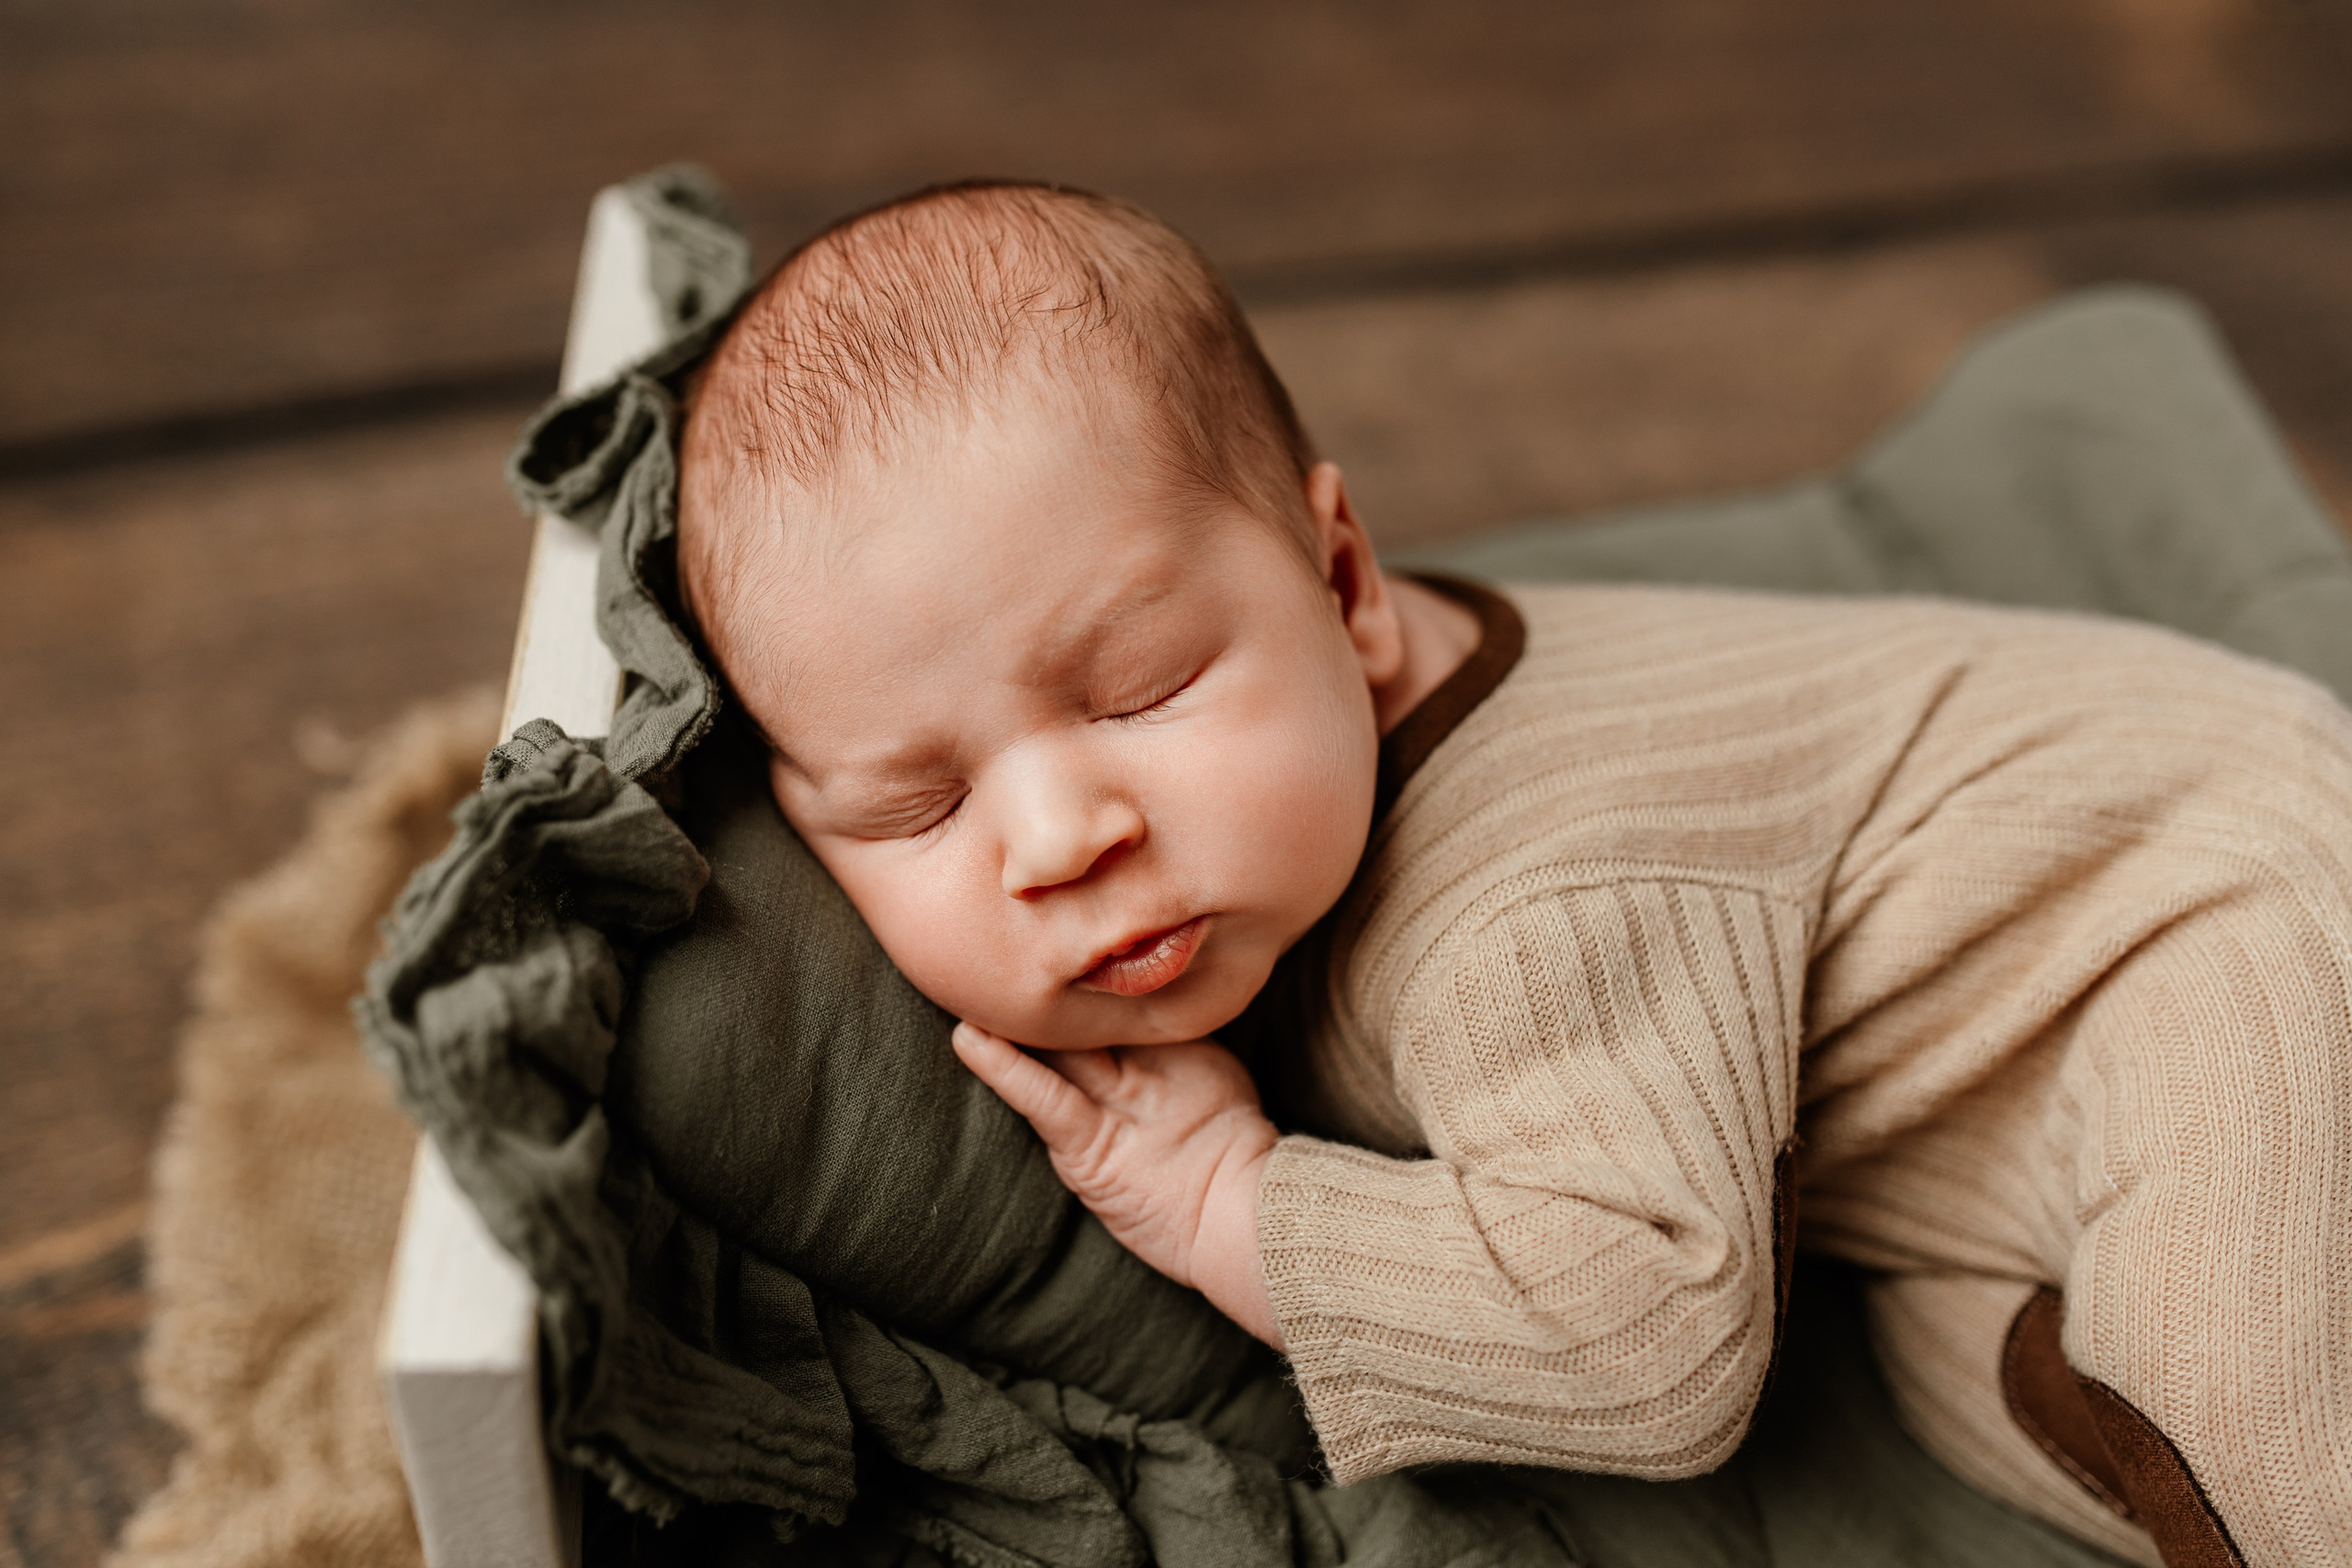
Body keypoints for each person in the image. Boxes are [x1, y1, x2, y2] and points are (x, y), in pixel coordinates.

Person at [672, 180, 2352, 1568]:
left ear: (1347, 586)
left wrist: (1232, 1206)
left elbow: (1655, 1348)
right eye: (914, 806)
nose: (1058, 839)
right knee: (2047, 1418)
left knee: (2234, 1390)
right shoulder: (1313, 738)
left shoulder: (1530, 917)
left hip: (2210, 918)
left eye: (1142, 690)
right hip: (1977, 1130)